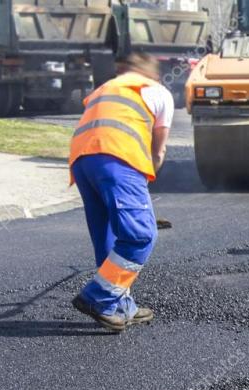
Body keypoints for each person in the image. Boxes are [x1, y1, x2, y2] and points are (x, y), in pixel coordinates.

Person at [69, 52, 174, 331]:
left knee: (108, 234)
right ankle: (98, 297)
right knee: (140, 235)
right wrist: (142, 191)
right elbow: (157, 150)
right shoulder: (159, 91)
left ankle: (120, 305)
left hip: (82, 160)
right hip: (118, 158)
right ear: (154, 75)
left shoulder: (106, 88)